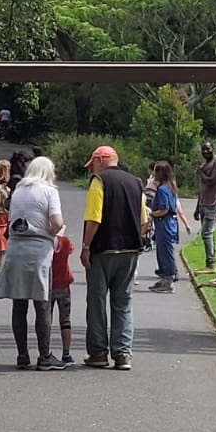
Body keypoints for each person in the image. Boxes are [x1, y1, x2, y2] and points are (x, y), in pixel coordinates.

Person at [80, 144, 149, 370]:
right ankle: (123, 354)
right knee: (123, 302)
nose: (92, 171)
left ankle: (99, 352)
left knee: (97, 301)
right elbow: (144, 221)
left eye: (93, 165)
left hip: (103, 249)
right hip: (129, 251)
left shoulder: (99, 181)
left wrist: (86, 246)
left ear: (100, 160)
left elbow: (94, 218)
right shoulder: (136, 183)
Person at [0, 155, 66, 371]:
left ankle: (22, 354)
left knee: (19, 303)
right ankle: (45, 355)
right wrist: (55, 232)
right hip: (38, 251)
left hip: (16, 248)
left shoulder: (18, 191)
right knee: (41, 302)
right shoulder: (49, 191)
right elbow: (56, 222)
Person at [148, 162, 193, 292]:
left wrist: (151, 213)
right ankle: (164, 279)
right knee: (162, 251)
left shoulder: (162, 189)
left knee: (165, 253)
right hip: (169, 223)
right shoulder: (170, 187)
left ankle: (168, 281)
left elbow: (164, 208)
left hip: (164, 223)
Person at [196, 140, 216, 271]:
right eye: (203, 149)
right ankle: (210, 263)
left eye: (208, 149)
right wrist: (197, 207)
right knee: (208, 233)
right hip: (204, 204)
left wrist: (201, 173)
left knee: (206, 233)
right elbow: (202, 188)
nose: (205, 152)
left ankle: (211, 264)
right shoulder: (205, 164)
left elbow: (210, 181)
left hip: (214, 203)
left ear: (213, 149)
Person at [50, 231, 75, 364]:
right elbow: (71, 249)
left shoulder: (46, 242)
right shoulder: (65, 242)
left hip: (49, 285)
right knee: (65, 320)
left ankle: (46, 351)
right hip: (64, 285)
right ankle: (66, 354)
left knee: (46, 320)